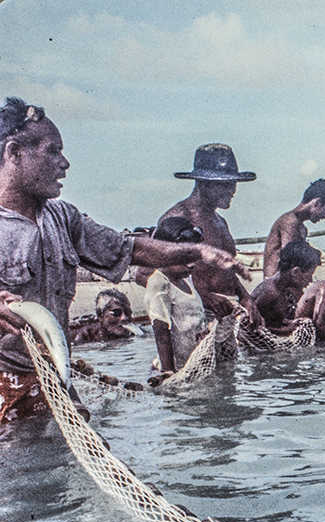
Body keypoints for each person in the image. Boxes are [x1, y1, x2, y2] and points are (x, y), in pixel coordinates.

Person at [0, 97, 241, 421]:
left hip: (53, 377)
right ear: (14, 153)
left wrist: (196, 251)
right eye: (52, 151)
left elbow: (130, 249)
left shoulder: (63, 218)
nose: (65, 162)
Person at [154, 143, 260, 325]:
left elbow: (225, 271)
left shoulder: (220, 222)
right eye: (225, 185)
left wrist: (245, 297)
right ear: (203, 183)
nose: (232, 191)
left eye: (233, 183)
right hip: (193, 317)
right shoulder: (178, 219)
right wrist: (203, 297)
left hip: (228, 313)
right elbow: (149, 274)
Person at [145, 217, 211, 377]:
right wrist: (169, 373)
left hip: (197, 362)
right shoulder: (158, 283)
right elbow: (161, 331)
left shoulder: (186, 280)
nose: (191, 264)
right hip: (180, 368)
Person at [261, 178, 325, 277]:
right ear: (317, 203)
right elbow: (291, 258)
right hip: (275, 285)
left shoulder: (300, 227)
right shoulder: (289, 222)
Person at [250, 241, 321, 333]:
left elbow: (271, 320)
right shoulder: (271, 292)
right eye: (309, 275)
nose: (310, 280)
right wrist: (286, 330)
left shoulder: (284, 288)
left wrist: (289, 323)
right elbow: (251, 326)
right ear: (295, 272)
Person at [70, 288, 134, 344]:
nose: (124, 318)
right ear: (100, 316)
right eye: (116, 313)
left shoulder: (132, 333)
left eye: (127, 312)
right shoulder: (84, 336)